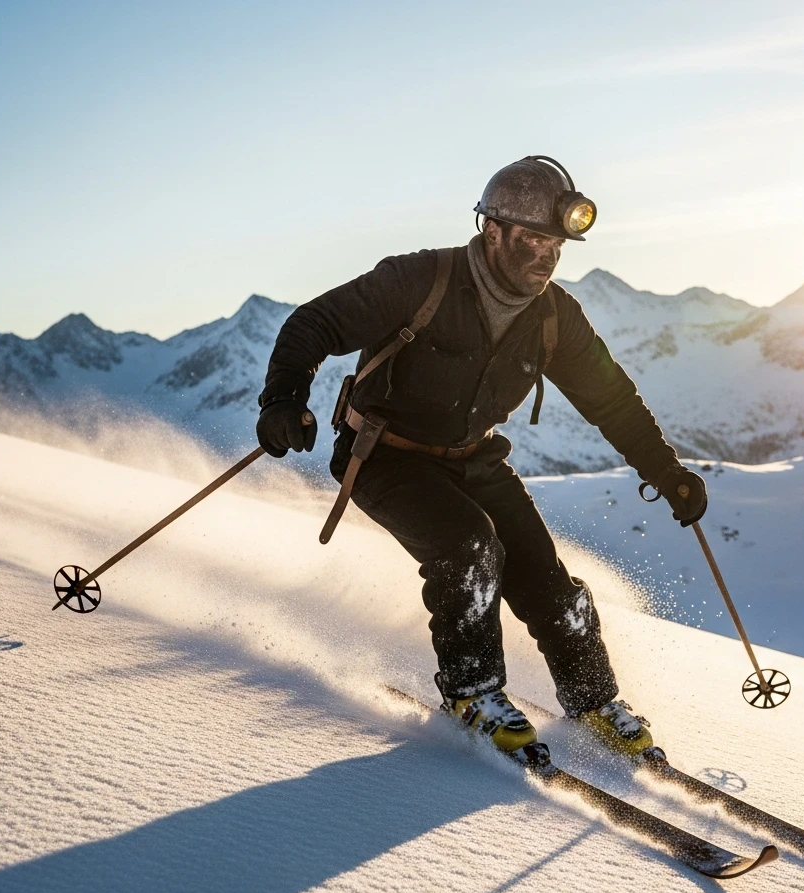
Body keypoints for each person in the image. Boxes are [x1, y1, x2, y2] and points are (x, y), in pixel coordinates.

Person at [257, 155, 707, 760]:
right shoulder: (419, 280)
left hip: (476, 458)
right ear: (491, 231)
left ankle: (594, 701)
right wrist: (284, 398)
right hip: (385, 457)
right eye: (532, 239)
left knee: (549, 583)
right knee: (468, 546)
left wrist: (665, 470)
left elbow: (612, 399)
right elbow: (314, 324)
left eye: (555, 244)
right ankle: (471, 692)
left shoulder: (555, 315)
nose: (545, 256)